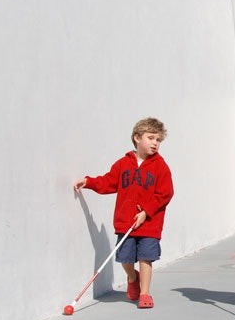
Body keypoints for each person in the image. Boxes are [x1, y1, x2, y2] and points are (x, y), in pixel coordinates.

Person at [73, 117, 174, 309]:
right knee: (125, 258)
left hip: (150, 223)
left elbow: (165, 193)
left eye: (158, 140)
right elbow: (108, 182)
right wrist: (89, 182)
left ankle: (145, 293)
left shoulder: (161, 166)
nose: (155, 143)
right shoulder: (122, 164)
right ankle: (132, 277)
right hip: (125, 222)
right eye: (151, 137)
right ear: (137, 138)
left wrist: (146, 212)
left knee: (146, 257)